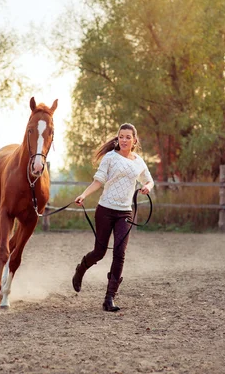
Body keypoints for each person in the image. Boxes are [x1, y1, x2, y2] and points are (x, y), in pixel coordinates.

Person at [72, 123, 154, 312]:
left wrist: (147, 187)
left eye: (128, 137)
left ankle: (109, 298)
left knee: (119, 254)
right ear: (117, 139)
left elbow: (148, 179)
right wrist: (84, 195)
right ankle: (81, 269)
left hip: (125, 212)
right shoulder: (110, 158)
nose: (124, 140)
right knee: (99, 252)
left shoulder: (139, 161)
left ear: (134, 140)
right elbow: (98, 181)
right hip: (105, 209)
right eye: (121, 136)